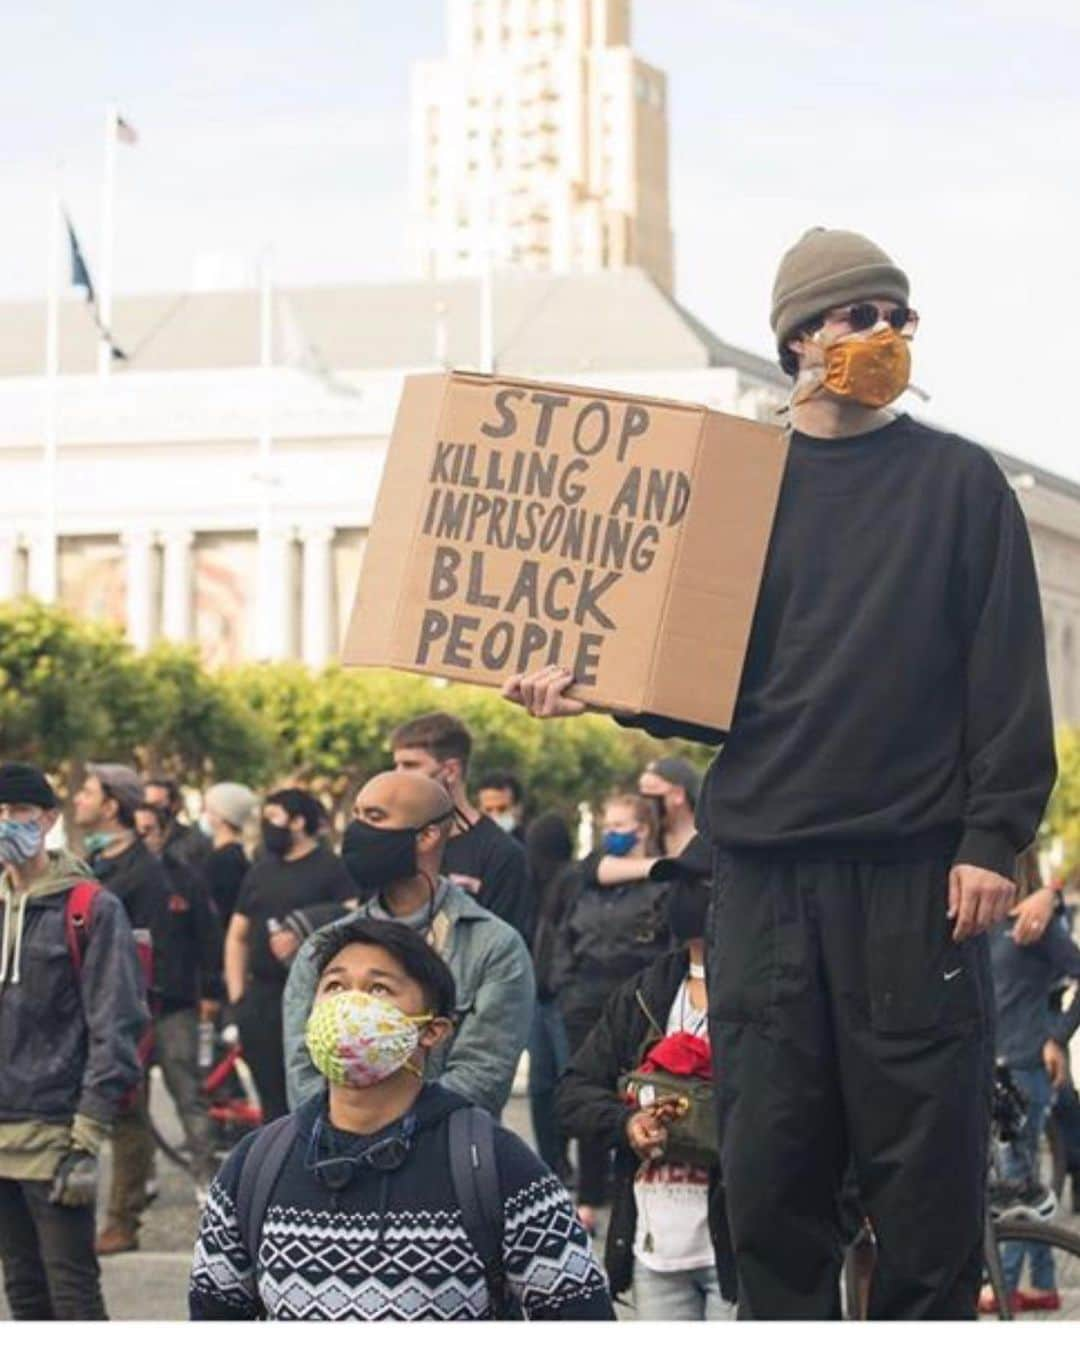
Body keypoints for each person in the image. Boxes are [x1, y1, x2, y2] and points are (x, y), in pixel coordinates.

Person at [503, 227, 1057, 1319]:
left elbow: (1007, 678)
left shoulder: (959, 484)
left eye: (901, 316)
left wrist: (991, 840)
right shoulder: (733, 490)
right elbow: (694, 677)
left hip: (913, 884)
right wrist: (591, 680)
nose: (887, 334)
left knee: (928, 1188)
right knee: (769, 1183)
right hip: (761, 883)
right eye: (862, 316)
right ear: (800, 336)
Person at [189, 917, 613, 1321]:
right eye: (334, 985)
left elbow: (580, 1315)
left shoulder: (495, 1166)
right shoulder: (256, 1166)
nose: (349, 1005)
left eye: (378, 988)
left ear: (432, 1030)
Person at [281, 772, 535, 1117]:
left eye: (374, 818)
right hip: (333, 1155)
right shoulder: (324, 947)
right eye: (356, 816)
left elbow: (482, 1076)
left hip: (441, 1156)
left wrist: (390, 1128)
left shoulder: (493, 948)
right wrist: (344, 1129)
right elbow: (302, 1068)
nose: (357, 833)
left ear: (428, 835)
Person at [559, 835, 736, 1320]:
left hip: (740, 1252)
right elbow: (573, 1093)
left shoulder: (771, 994)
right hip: (652, 1249)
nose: (681, 897)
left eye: (697, 884)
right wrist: (626, 1123)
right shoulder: (643, 994)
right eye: (675, 884)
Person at [0, 762, 146, 1320]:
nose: (8, 824)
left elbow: (117, 1021)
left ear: (49, 820)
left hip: (58, 1132)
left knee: (73, 1292)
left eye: (19, 813)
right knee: (23, 1289)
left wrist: (88, 1130)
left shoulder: (89, 907)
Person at [551, 793, 670, 1233]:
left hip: (636, 997)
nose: (610, 832)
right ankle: (590, 1196)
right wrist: (566, 985)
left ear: (642, 829)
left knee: (640, 1094)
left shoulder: (660, 884)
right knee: (588, 1093)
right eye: (607, 823)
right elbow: (565, 933)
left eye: (620, 824)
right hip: (585, 996)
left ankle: (635, 1187)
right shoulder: (589, 880)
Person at [73, 763, 172, 1256]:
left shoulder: (143, 870)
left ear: (112, 805)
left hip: (127, 1005)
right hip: (81, 1003)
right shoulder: (91, 862)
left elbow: (145, 951)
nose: (77, 800)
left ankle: (122, 1219)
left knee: (126, 1110)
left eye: (87, 792)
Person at [981, 847, 1080, 1314]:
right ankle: (1041, 1285)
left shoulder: (1036, 923)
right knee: (1023, 1182)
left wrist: (1057, 1037)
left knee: (1017, 1187)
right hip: (994, 1066)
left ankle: (1003, 1283)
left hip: (1024, 1067)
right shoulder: (989, 920)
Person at [223, 788, 357, 1122]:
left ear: (298, 821)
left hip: (313, 999)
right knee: (270, 1097)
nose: (268, 826)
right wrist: (239, 997)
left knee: (311, 1094)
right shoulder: (260, 870)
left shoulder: (332, 868)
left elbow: (353, 917)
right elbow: (237, 935)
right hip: (263, 999)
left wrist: (305, 929)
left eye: (274, 817)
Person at [134, 804, 224, 1199]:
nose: (143, 838)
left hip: (175, 1003)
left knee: (188, 1091)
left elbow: (208, 938)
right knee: (129, 1101)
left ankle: (206, 1177)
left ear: (163, 831)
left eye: (149, 830)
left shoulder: (185, 879)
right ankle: (139, 1177)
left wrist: (210, 992)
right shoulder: (113, 877)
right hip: (128, 1005)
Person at [389, 714, 533, 941]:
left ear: (450, 771)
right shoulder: (392, 845)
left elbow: (504, 951)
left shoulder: (502, 854)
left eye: (410, 765)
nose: (398, 776)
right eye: (395, 765)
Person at [523, 811, 575, 1179]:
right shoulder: (532, 884)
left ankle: (560, 1161)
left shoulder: (569, 883)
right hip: (543, 995)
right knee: (545, 1083)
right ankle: (554, 1162)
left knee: (560, 1081)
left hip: (556, 994)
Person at [585, 756, 702, 892]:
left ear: (678, 795)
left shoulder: (708, 842)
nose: (644, 802)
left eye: (651, 795)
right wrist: (662, 867)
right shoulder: (644, 836)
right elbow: (593, 867)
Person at [201, 782, 255, 929]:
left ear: (221, 817)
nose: (204, 815)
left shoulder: (225, 860)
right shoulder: (235, 854)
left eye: (209, 810)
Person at [145, 777, 214, 879]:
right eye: (145, 805)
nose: (150, 810)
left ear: (174, 805)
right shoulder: (136, 841)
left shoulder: (195, 842)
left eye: (157, 804)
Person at [476, 770, 527, 843]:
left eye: (502, 809)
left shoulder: (533, 847)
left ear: (518, 809)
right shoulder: (471, 846)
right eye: (488, 810)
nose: (494, 816)